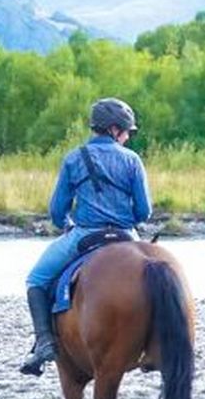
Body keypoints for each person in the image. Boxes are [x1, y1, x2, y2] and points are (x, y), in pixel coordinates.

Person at [20, 97, 153, 375]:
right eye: (127, 131)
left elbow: (57, 211)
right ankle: (154, 343)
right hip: (126, 236)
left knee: (36, 279)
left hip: (84, 235)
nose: (128, 137)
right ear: (115, 130)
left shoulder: (72, 158)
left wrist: (67, 224)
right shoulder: (132, 160)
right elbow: (144, 211)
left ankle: (44, 341)